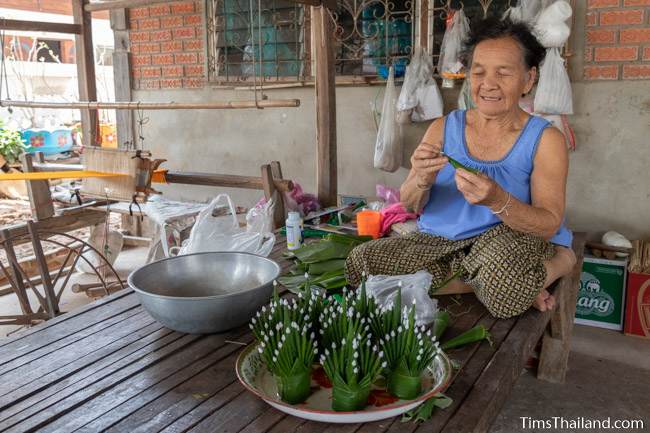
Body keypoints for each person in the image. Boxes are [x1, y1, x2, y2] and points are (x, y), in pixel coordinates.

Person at [345, 17, 577, 319]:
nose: (488, 84)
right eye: (478, 72)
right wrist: (422, 179)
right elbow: (409, 202)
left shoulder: (545, 139)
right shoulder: (445, 127)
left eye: (503, 73)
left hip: (504, 241)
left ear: (528, 79)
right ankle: (492, 283)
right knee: (361, 263)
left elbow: (548, 223)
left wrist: (497, 200)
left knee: (502, 287)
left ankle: (561, 260)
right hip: (437, 243)